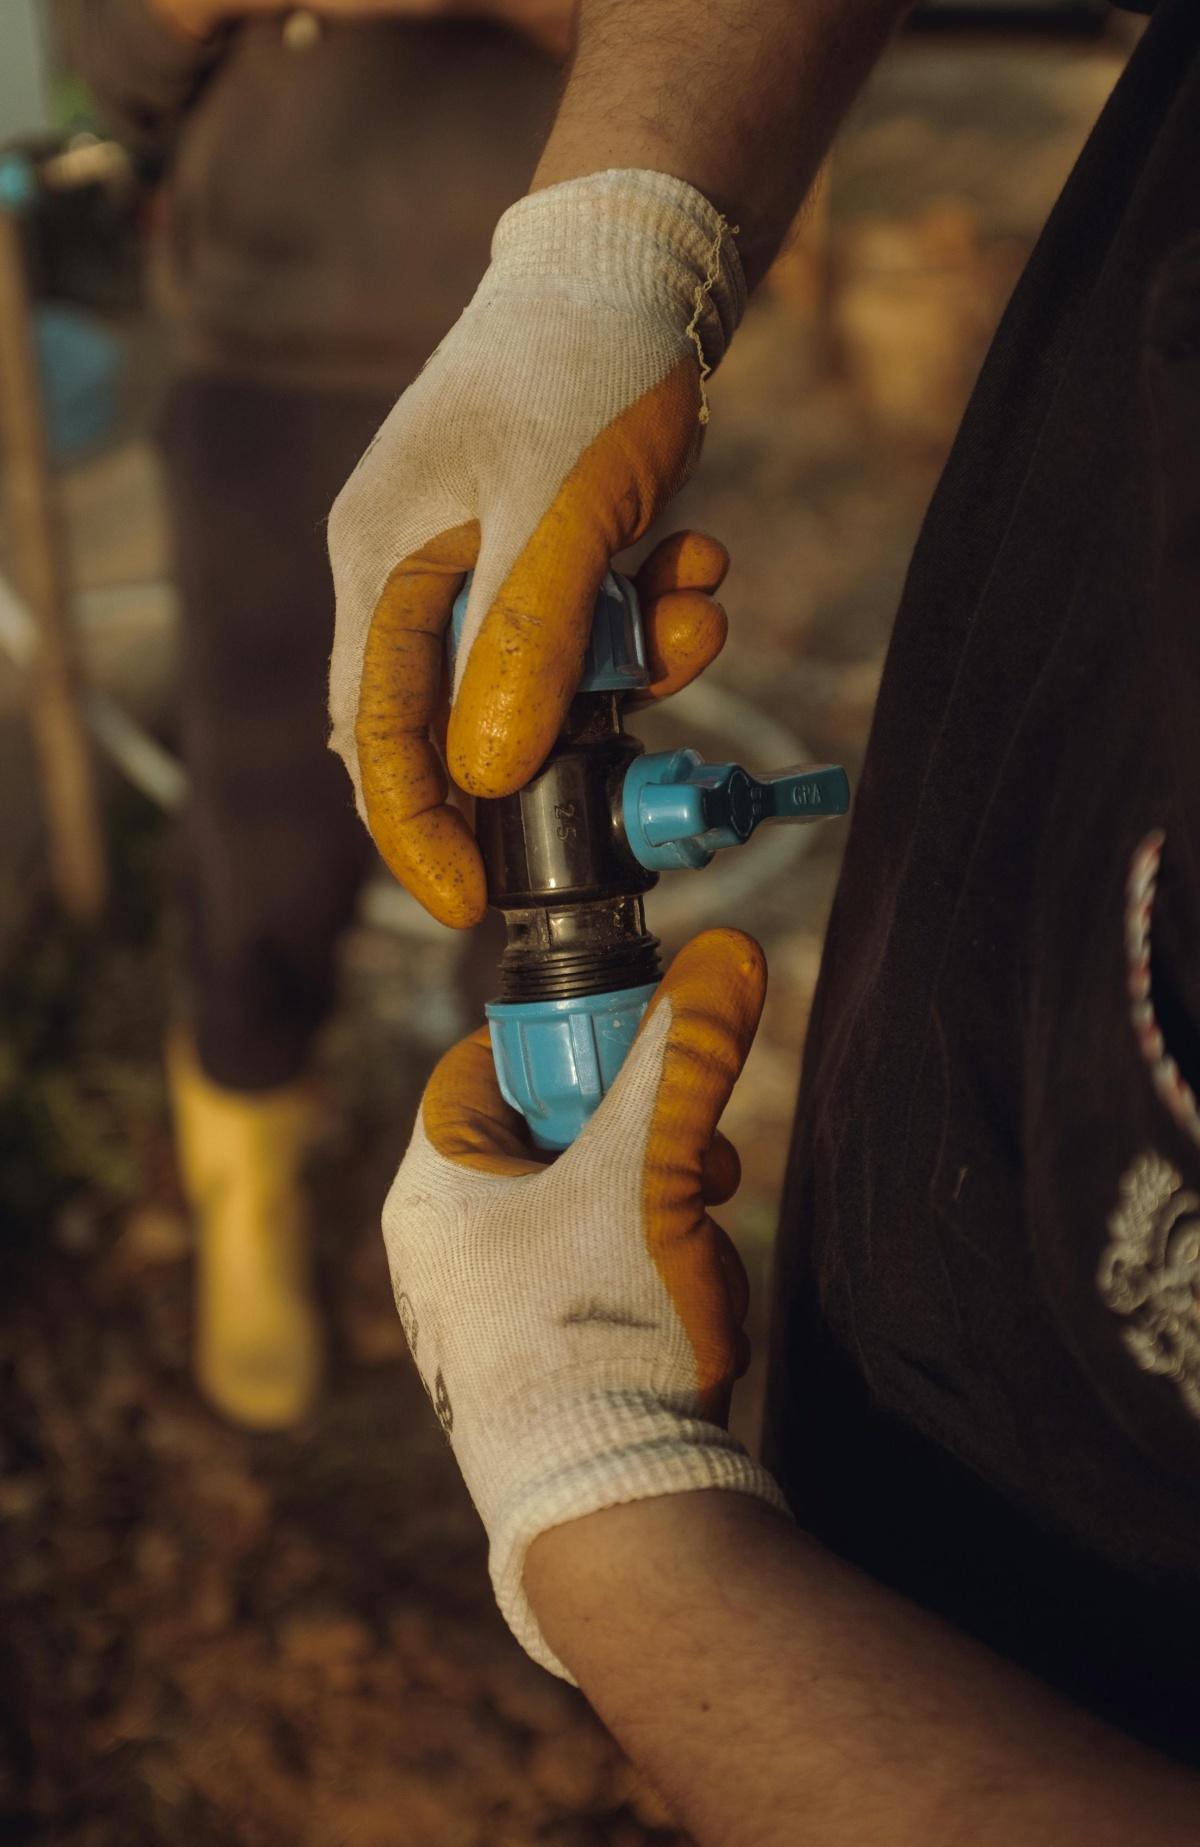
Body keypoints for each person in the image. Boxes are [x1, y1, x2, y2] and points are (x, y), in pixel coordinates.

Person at [54, 0, 566, 1429]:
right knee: (266, 829)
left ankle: (519, 1219)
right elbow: (108, 62)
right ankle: (251, 1185)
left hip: (557, 341)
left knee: (542, 838)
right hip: (269, 366)